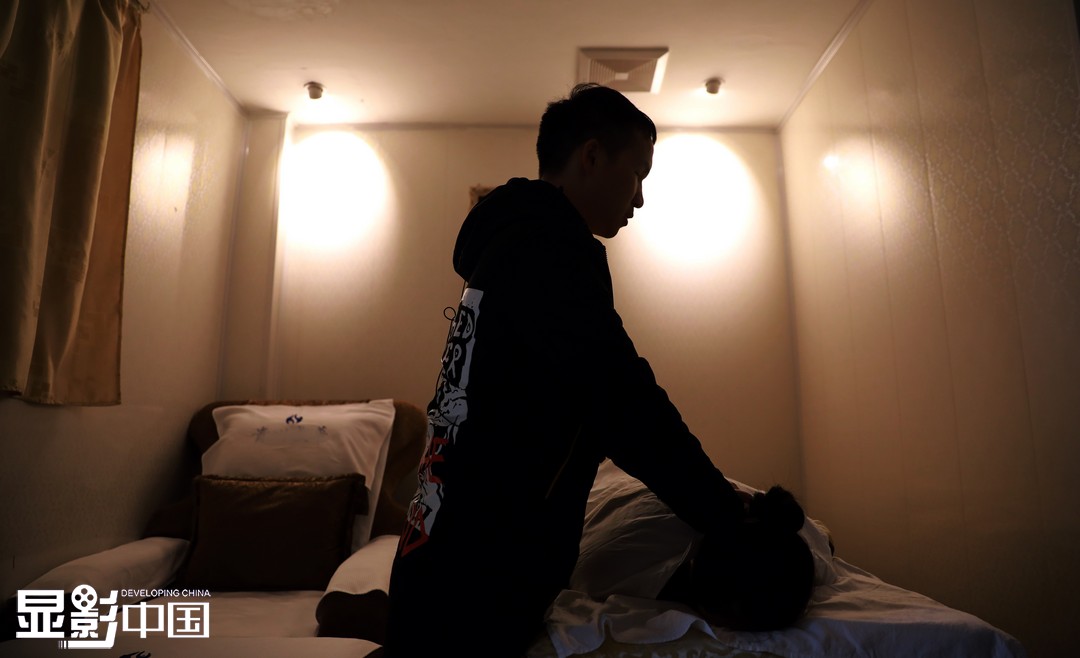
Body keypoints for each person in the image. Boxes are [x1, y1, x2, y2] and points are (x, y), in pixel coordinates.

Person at [385, 83, 748, 657]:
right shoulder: (549, 250)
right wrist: (730, 518)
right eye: (638, 174)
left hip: (434, 562)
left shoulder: (506, 248)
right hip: (476, 588)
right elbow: (623, 402)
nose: (640, 199)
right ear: (592, 156)